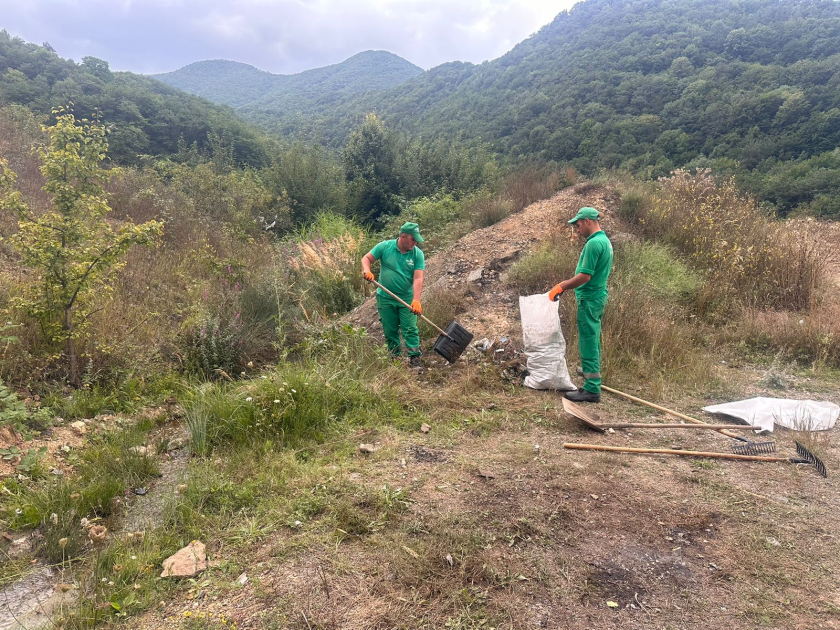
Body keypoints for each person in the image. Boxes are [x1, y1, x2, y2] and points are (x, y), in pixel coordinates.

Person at [548, 207, 613, 403]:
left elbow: (585, 276)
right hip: (597, 296)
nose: (577, 229)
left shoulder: (594, 244)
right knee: (592, 337)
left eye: (577, 225)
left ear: (587, 221)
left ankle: (592, 389)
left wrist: (562, 286)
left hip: (590, 298)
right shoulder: (604, 241)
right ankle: (590, 372)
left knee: (588, 340)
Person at [362, 222, 426, 367]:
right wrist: (367, 270)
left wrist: (416, 300)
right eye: (413, 239)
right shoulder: (385, 247)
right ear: (403, 236)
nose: (415, 242)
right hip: (385, 297)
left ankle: (415, 358)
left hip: (407, 298)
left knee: (410, 328)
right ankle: (394, 358)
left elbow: (418, 278)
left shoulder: (417, 254)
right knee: (390, 329)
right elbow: (366, 259)